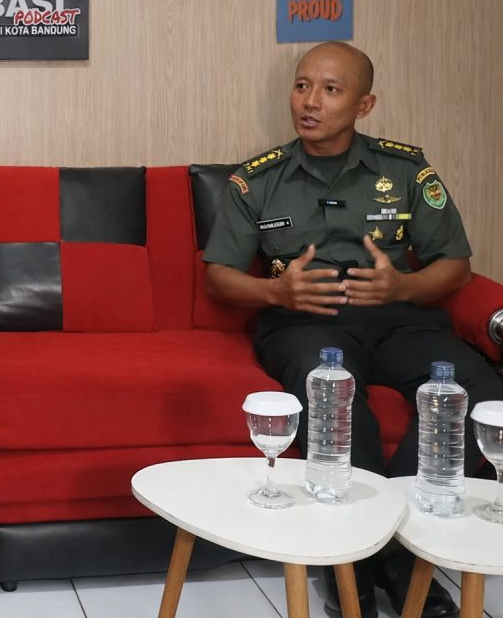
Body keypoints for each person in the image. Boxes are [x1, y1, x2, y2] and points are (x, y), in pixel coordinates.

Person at [204, 41, 500, 618]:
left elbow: (455, 266)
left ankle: (395, 546)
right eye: (301, 86)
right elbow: (218, 276)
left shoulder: (405, 170)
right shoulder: (257, 180)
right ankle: (359, 564)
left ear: (364, 105)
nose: (310, 102)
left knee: (478, 390)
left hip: (398, 317)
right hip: (305, 320)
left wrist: (402, 287)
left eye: (330, 90)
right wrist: (275, 292)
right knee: (336, 399)